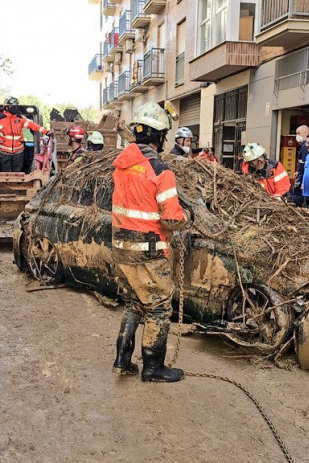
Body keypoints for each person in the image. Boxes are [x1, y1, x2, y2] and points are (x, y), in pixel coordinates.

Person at [111, 101, 189, 383]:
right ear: (158, 137)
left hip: (121, 250)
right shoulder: (161, 171)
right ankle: (153, 367)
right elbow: (171, 220)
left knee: (133, 304)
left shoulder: (121, 167)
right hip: (150, 254)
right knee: (157, 308)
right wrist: (186, 216)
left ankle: (122, 360)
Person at [0, 97, 50, 172]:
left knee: (17, 172)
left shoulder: (20, 119)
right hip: (4, 152)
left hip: (19, 152)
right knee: (6, 173)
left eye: (16, 106)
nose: (15, 108)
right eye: (13, 106)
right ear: (6, 107)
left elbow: (34, 126)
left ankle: (18, 186)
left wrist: (46, 132)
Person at [291, 125, 309, 207]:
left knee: (298, 198)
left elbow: (306, 164)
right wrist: (298, 171)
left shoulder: (305, 147)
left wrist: (303, 181)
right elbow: (302, 162)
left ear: (306, 133)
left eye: (299, 133)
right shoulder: (303, 146)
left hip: (303, 178)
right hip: (301, 175)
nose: (297, 136)